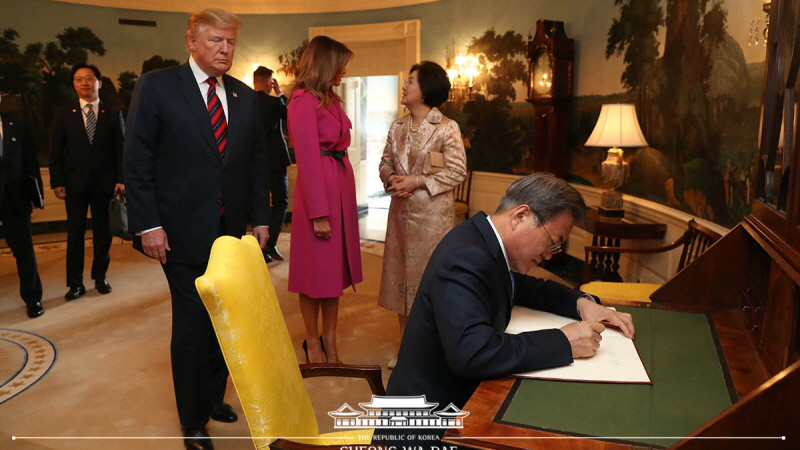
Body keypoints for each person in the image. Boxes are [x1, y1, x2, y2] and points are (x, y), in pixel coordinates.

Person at [371, 172, 635, 450]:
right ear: (521, 215)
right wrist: (564, 341)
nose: (550, 255)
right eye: (552, 241)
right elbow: (472, 353)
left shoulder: (484, 242)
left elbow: (521, 287)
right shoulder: (467, 257)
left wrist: (581, 303)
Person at [124, 8, 270, 450]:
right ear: (192, 42)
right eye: (216, 42)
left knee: (225, 322)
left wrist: (261, 218)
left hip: (231, 237)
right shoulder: (158, 87)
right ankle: (192, 420)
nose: (225, 50)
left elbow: (256, 164)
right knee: (192, 326)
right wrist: (149, 225)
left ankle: (211, 398)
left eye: (230, 43)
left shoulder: (245, 96)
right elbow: (138, 160)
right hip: (180, 233)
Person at [377, 61, 467, 368]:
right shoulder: (397, 126)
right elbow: (385, 163)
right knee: (401, 284)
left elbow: (457, 171)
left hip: (432, 222)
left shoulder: (447, 127)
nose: (404, 84)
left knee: (430, 286)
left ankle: (433, 351)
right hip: (400, 217)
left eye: (411, 81)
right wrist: (391, 179)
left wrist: (416, 181)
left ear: (426, 88)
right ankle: (406, 349)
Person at [287, 35, 362, 364]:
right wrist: (318, 212)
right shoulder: (302, 101)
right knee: (312, 275)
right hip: (318, 196)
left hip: (340, 189)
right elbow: (306, 159)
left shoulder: (331, 99)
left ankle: (332, 342)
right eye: (340, 65)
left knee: (334, 276)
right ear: (325, 64)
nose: (343, 71)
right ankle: (313, 342)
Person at [49, 63, 124, 300]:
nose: (84, 83)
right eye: (79, 79)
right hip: (74, 184)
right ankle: (75, 284)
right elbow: (55, 150)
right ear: (74, 84)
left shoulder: (112, 113)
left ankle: (100, 277)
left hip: (105, 184)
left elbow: (121, 149)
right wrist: (57, 181)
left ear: (99, 83)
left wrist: (122, 179)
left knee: (104, 233)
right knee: (75, 234)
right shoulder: (63, 112)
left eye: (89, 78)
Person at [0, 93, 45, 318]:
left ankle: (33, 298)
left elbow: (31, 163)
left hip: (15, 198)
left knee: (24, 252)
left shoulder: (16, 126)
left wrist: (36, 196)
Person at [253, 66, 291, 263]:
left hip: (252, 161)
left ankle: (258, 245)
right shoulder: (275, 102)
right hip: (275, 160)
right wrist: (281, 93)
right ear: (270, 82)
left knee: (257, 202)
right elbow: (290, 115)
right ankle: (269, 244)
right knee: (280, 202)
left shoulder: (245, 102)